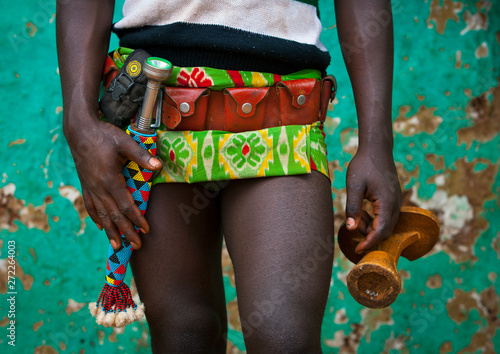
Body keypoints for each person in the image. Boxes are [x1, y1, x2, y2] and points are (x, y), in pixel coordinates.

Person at [56, 0, 402, 352]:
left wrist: (377, 144)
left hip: (284, 116)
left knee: (284, 338)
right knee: (185, 337)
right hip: (151, 119)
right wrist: (79, 123)